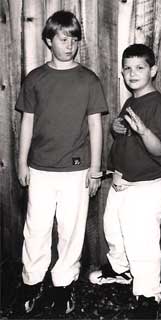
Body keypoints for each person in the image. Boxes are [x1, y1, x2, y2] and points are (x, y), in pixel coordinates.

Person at [15, 10, 108, 315]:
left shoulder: (88, 80)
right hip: (40, 167)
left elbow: (96, 126)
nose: (70, 44)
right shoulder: (35, 79)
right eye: (63, 38)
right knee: (37, 229)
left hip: (76, 170)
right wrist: (21, 162)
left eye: (75, 38)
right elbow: (27, 122)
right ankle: (31, 283)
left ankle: (63, 287)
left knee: (71, 230)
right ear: (48, 40)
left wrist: (95, 170)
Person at [88, 44, 161, 319]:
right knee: (113, 229)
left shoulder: (158, 105)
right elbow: (127, 138)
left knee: (142, 240)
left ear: (153, 70)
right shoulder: (131, 102)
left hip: (145, 187)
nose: (132, 73)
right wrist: (117, 129)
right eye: (127, 68)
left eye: (139, 67)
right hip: (121, 182)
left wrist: (144, 131)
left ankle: (148, 293)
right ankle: (122, 270)